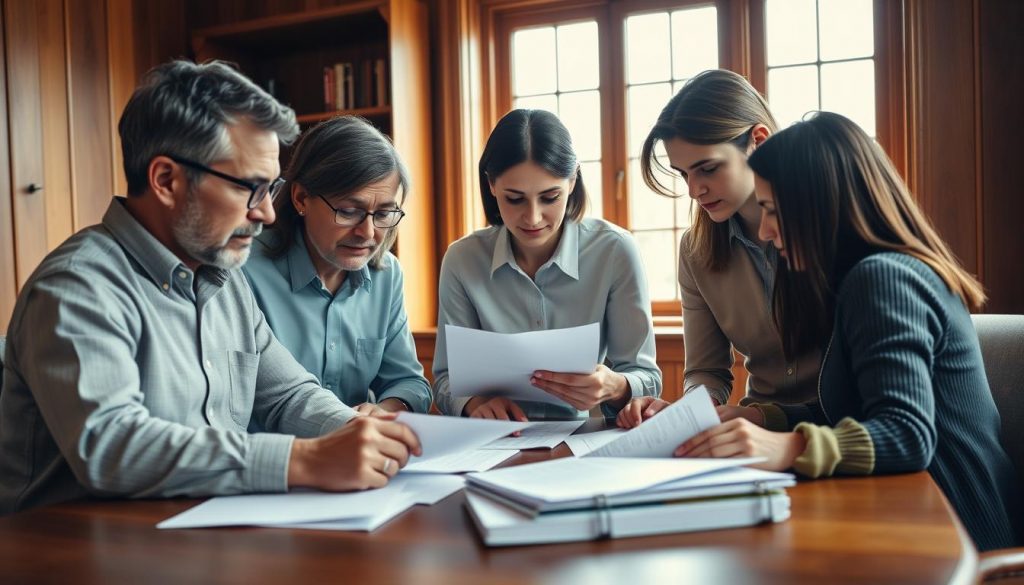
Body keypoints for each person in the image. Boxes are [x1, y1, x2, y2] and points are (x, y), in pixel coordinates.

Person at [0, 60, 420, 515]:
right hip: (64, 549)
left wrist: (367, 438)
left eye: (270, 188)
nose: (267, 214)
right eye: (250, 189)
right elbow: (112, 446)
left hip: (197, 530)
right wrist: (303, 459)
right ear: (167, 181)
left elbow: (288, 395)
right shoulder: (78, 285)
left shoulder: (224, 280)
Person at [629, 111, 1017, 551]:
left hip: (958, 533)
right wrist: (760, 417)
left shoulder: (882, 279)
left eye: (774, 211)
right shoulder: (864, 277)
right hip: (913, 514)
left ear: (823, 203)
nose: (766, 230)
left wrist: (787, 448)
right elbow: (851, 415)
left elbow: (907, 435)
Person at [432, 109, 661, 421]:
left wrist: (614, 386)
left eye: (550, 197)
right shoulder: (462, 259)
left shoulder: (615, 250)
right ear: (491, 186)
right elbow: (446, 380)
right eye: (515, 199)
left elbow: (646, 377)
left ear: (572, 181)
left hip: (584, 440)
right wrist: (474, 403)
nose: (533, 217)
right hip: (493, 440)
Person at [622, 69, 821, 427]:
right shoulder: (695, 251)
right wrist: (692, 412)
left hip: (842, 430)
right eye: (683, 173)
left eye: (708, 169)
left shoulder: (827, 224)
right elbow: (706, 371)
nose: (694, 190)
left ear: (758, 140)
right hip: (753, 426)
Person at [243, 116, 431, 415]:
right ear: (301, 198)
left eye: (384, 214)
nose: (368, 233)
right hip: (280, 456)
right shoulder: (244, 271)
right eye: (348, 211)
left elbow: (409, 382)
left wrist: (386, 409)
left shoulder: (386, 274)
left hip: (361, 451)